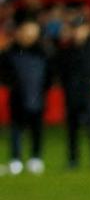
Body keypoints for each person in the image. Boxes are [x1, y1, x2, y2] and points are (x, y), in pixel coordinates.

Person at [54, 13, 90, 169]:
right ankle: (73, 160)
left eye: (80, 28)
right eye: (75, 28)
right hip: (72, 94)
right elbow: (61, 71)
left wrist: (89, 85)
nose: (78, 32)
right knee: (72, 129)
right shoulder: (66, 49)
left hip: (88, 94)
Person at [3, 20, 51, 175]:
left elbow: (50, 75)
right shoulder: (10, 52)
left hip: (37, 96)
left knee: (36, 129)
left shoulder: (43, 52)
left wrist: (43, 89)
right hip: (18, 97)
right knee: (16, 129)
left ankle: (35, 158)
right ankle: (15, 159)